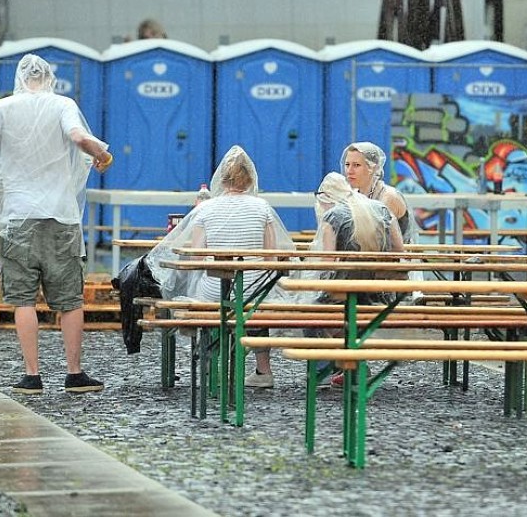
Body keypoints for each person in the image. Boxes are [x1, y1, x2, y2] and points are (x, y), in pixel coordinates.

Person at [0, 54, 113, 396]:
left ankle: (31, 376)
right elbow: (78, 136)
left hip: (18, 217)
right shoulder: (62, 104)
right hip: (61, 217)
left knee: (23, 298)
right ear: (49, 77)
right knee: (69, 300)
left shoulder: (4, 108)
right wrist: (100, 152)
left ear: (19, 78)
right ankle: (74, 373)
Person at [146, 145, 295, 388]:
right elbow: (271, 258)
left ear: (222, 179)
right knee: (255, 303)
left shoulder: (205, 209)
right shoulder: (263, 208)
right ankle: (263, 370)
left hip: (214, 292)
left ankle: (208, 365)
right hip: (252, 292)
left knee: (206, 294)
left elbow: (195, 259)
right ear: (250, 179)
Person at [303, 172, 405, 386]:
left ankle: (322, 372)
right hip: (381, 297)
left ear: (327, 198)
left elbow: (327, 264)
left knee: (310, 313)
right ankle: (355, 366)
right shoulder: (382, 210)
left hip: (345, 296)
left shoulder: (333, 216)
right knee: (351, 315)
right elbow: (399, 251)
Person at [340, 141, 416, 243]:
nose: (349, 171)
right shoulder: (354, 195)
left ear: (373, 167)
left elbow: (375, 239)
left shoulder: (388, 197)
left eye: (356, 165)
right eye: (347, 164)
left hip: (393, 257)